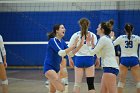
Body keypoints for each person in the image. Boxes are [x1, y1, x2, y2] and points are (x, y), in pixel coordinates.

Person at [43, 24, 84, 93]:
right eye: (62, 28)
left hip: (57, 69)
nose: (64, 29)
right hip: (49, 68)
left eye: (64, 28)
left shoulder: (62, 42)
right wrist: (73, 45)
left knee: (52, 91)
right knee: (61, 88)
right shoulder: (52, 40)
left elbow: (70, 54)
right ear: (57, 31)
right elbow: (61, 53)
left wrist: (79, 46)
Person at [88, 22, 119, 93]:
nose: (96, 29)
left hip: (110, 68)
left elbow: (92, 53)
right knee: (103, 91)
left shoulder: (103, 39)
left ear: (102, 30)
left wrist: (88, 43)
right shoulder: (104, 39)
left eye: (98, 27)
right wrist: (93, 45)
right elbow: (99, 55)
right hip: (109, 68)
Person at [68, 18, 97, 93]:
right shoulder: (93, 35)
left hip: (78, 60)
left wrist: (70, 59)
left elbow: (69, 48)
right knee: (91, 85)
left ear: (80, 25)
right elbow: (95, 49)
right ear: (88, 25)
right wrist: (98, 59)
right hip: (89, 59)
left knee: (77, 85)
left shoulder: (75, 35)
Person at [113, 23, 140, 93]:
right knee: (138, 82)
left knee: (121, 82)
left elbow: (112, 44)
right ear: (132, 29)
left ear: (124, 30)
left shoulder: (121, 37)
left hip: (124, 60)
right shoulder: (137, 38)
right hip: (134, 59)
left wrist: (111, 37)